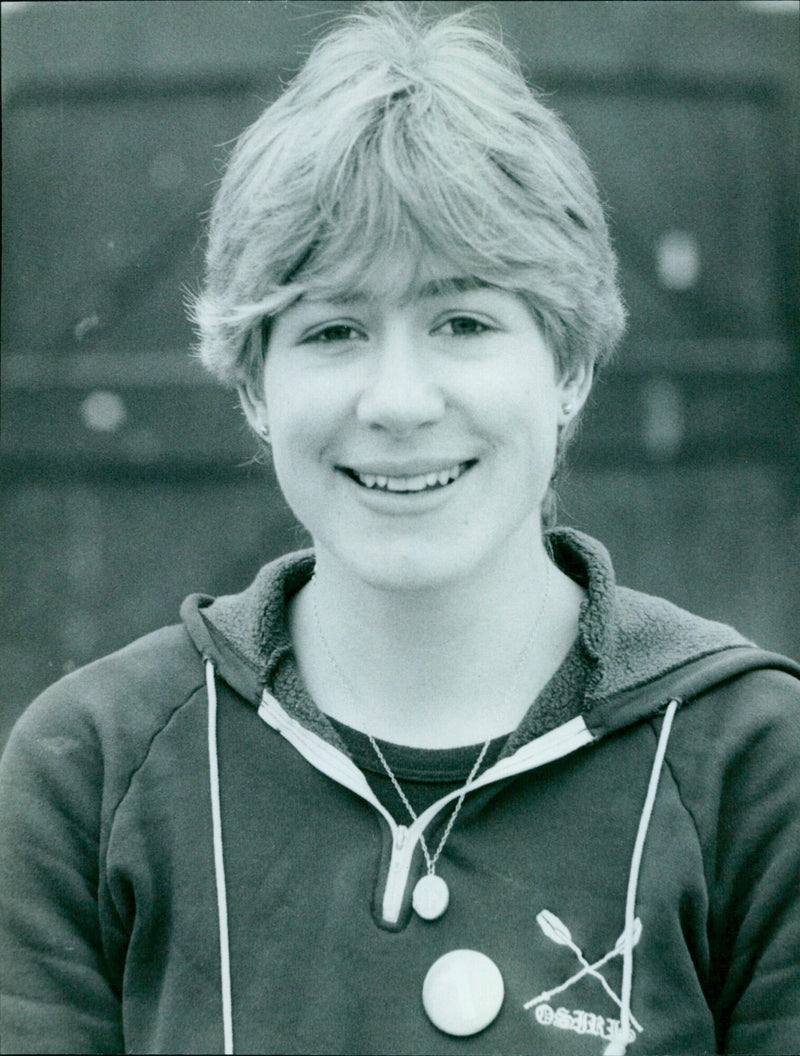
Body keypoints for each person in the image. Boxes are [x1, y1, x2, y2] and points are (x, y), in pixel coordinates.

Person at [1, 4, 798, 1054]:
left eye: (462, 322)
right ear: (252, 384)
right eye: (333, 329)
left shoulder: (754, 767)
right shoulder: (88, 769)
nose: (397, 400)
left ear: (568, 365)